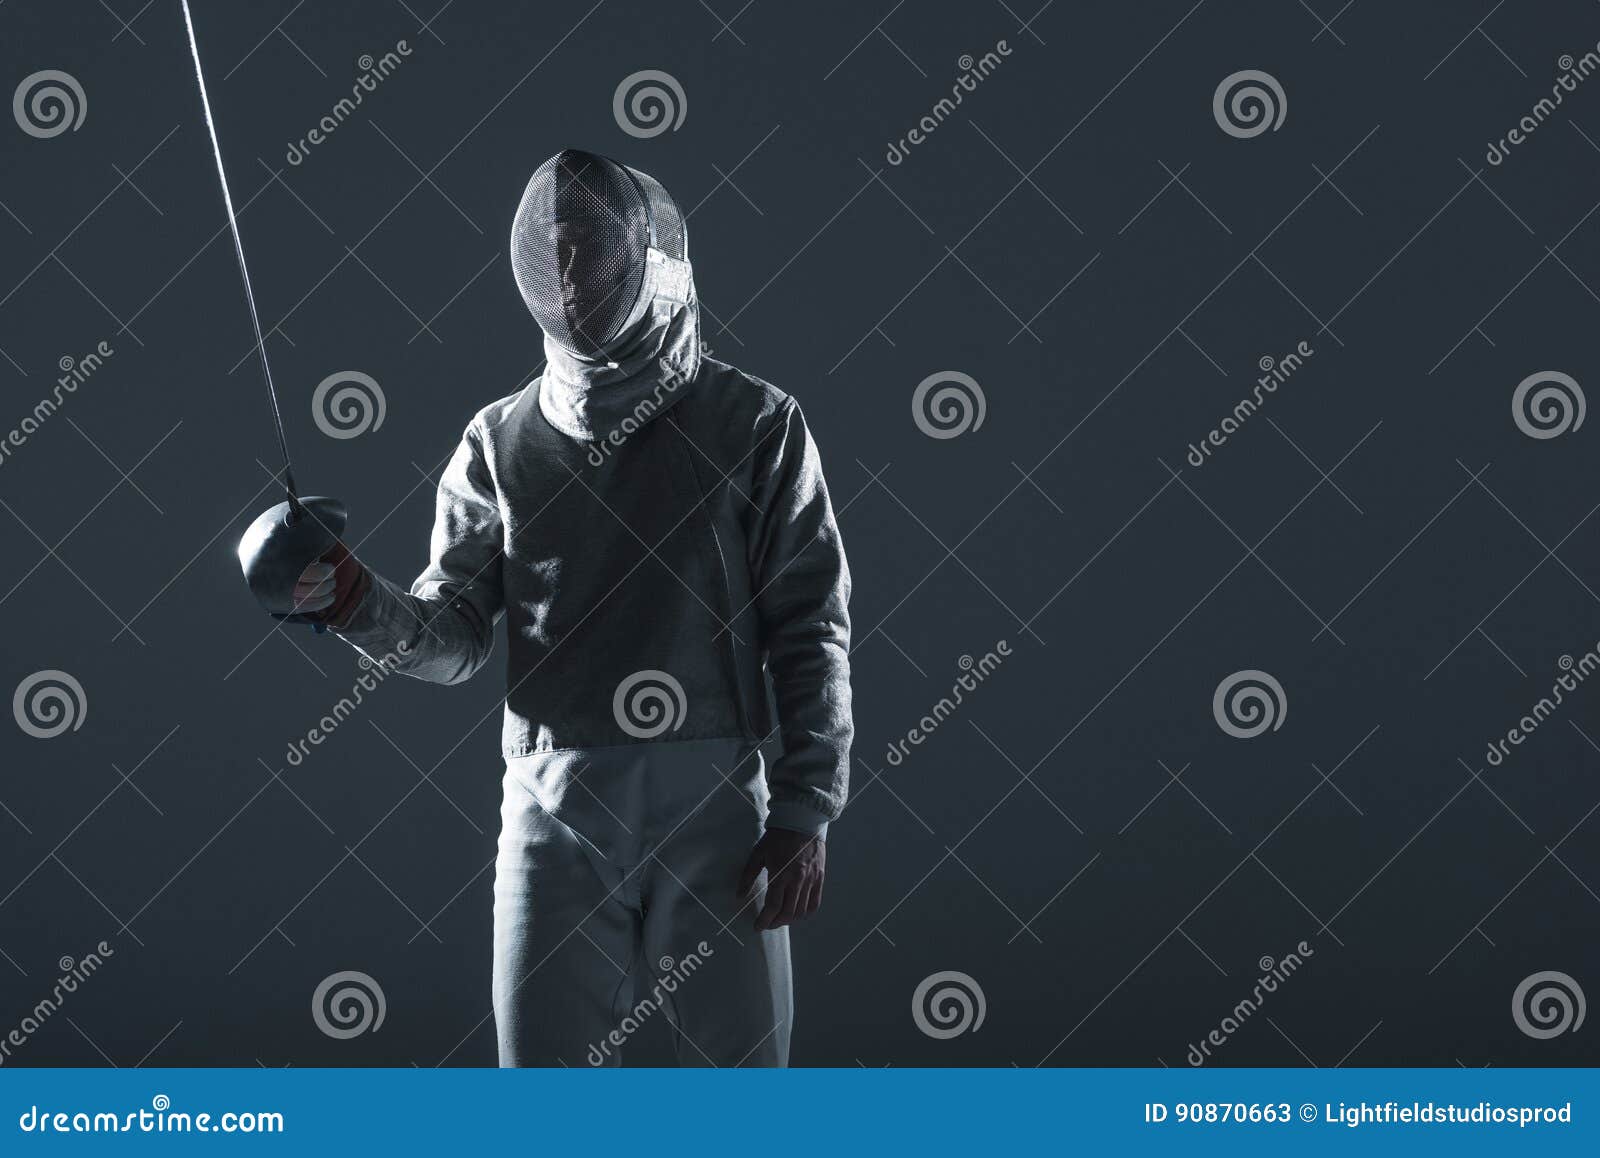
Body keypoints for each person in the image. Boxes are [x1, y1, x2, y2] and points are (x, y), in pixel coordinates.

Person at [269, 149, 852, 1066]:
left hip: (714, 810)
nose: (572, 276)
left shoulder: (756, 423)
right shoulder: (499, 441)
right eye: (556, 254)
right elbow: (453, 636)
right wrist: (354, 605)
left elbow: (809, 624)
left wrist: (806, 808)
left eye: (592, 250)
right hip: (551, 812)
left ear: (648, 261)